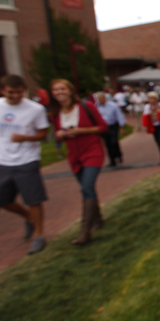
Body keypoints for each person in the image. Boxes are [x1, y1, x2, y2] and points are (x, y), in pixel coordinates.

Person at [0, 75, 50, 255]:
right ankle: (28, 217)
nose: (16, 96)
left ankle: (39, 235)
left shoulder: (35, 109)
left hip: (27, 159)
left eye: (20, 92)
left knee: (34, 199)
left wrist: (25, 138)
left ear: (24, 91)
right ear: (2, 91)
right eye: (11, 92)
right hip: (1, 160)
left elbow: (43, 134)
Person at [49, 79, 108, 245]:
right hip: (74, 155)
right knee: (86, 187)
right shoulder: (55, 113)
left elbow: (103, 127)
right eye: (55, 89)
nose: (59, 92)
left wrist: (82, 130)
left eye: (62, 88)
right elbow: (55, 134)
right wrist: (59, 135)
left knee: (87, 187)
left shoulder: (86, 106)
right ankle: (98, 220)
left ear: (69, 90)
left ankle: (85, 231)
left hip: (92, 151)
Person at [95, 91, 127, 166]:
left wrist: (122, 127)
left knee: (114, 141)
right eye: (98, 99)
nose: (99, 101)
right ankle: (112, 160)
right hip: (104, 127)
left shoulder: (113, 105)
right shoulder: (96, 106)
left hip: (113, 126)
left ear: (104, 98)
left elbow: (119, 116)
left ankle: (118, 155)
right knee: (108, 143)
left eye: (100, 99)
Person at [142, 91, 160, 165]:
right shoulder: (147, 107)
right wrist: (148, 114)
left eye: (152, 98)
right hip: (154, 126)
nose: (151, 100)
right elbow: (144, 115)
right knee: (158, 141)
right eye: (150, 98)